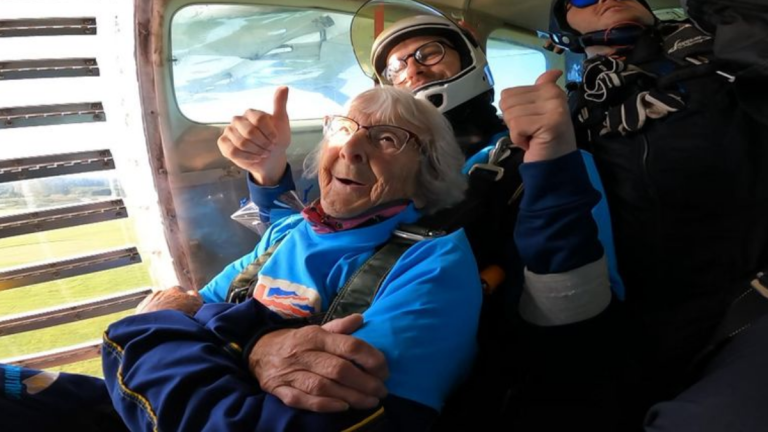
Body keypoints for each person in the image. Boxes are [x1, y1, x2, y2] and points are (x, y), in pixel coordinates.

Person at [216, 1, 620, 428]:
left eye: (429, 52)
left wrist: (552, 170)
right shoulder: (361, 156)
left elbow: (577, 315)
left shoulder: (542, 157)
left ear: (471, 60)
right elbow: (309, 238)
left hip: (485, 372)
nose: (411, 68)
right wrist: (268, 175)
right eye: (396, 66)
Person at [548, 0, 768, 429]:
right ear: (563, 27)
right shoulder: (571, 109)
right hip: (641, 315)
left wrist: (729, 15)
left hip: (750, 296)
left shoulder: (723, 51)